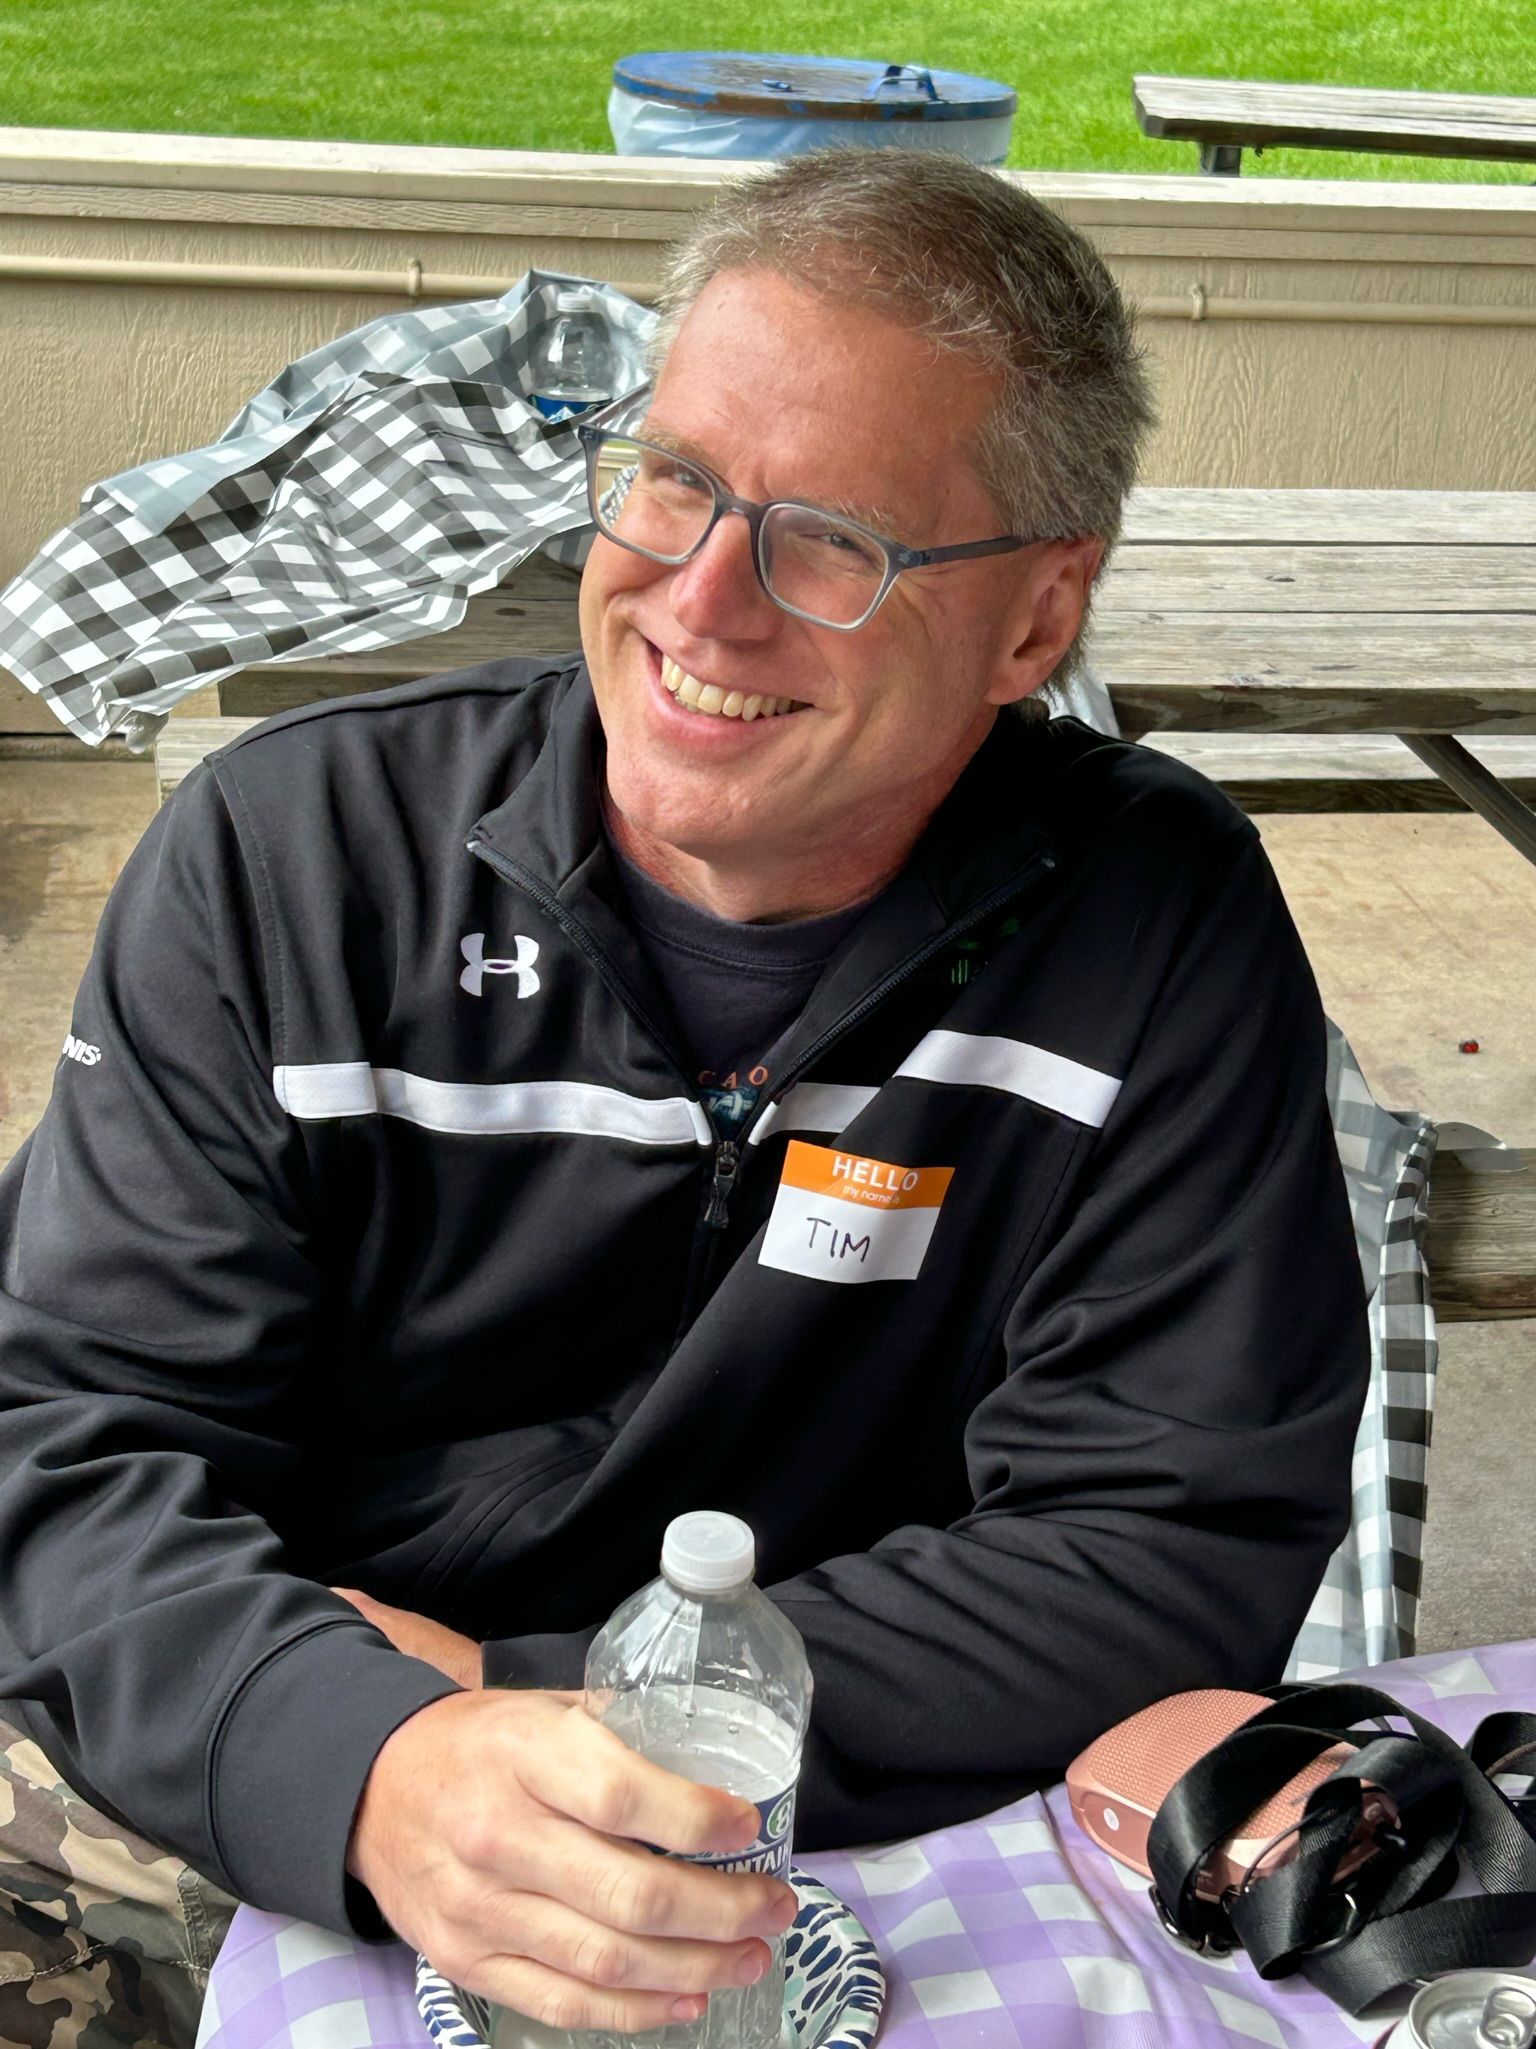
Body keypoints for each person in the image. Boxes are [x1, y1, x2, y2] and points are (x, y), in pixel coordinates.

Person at [0, 147, 1369, 2048]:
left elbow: (1170, 1535)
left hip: (822, 1819)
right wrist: (368, 1757)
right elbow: (64, 1438)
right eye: (675, 481)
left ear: (1039, 622)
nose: (699, 604)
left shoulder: (1152, 921)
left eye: (832, 539)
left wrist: (522, 1697)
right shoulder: (285, 861)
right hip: (280, 1712)